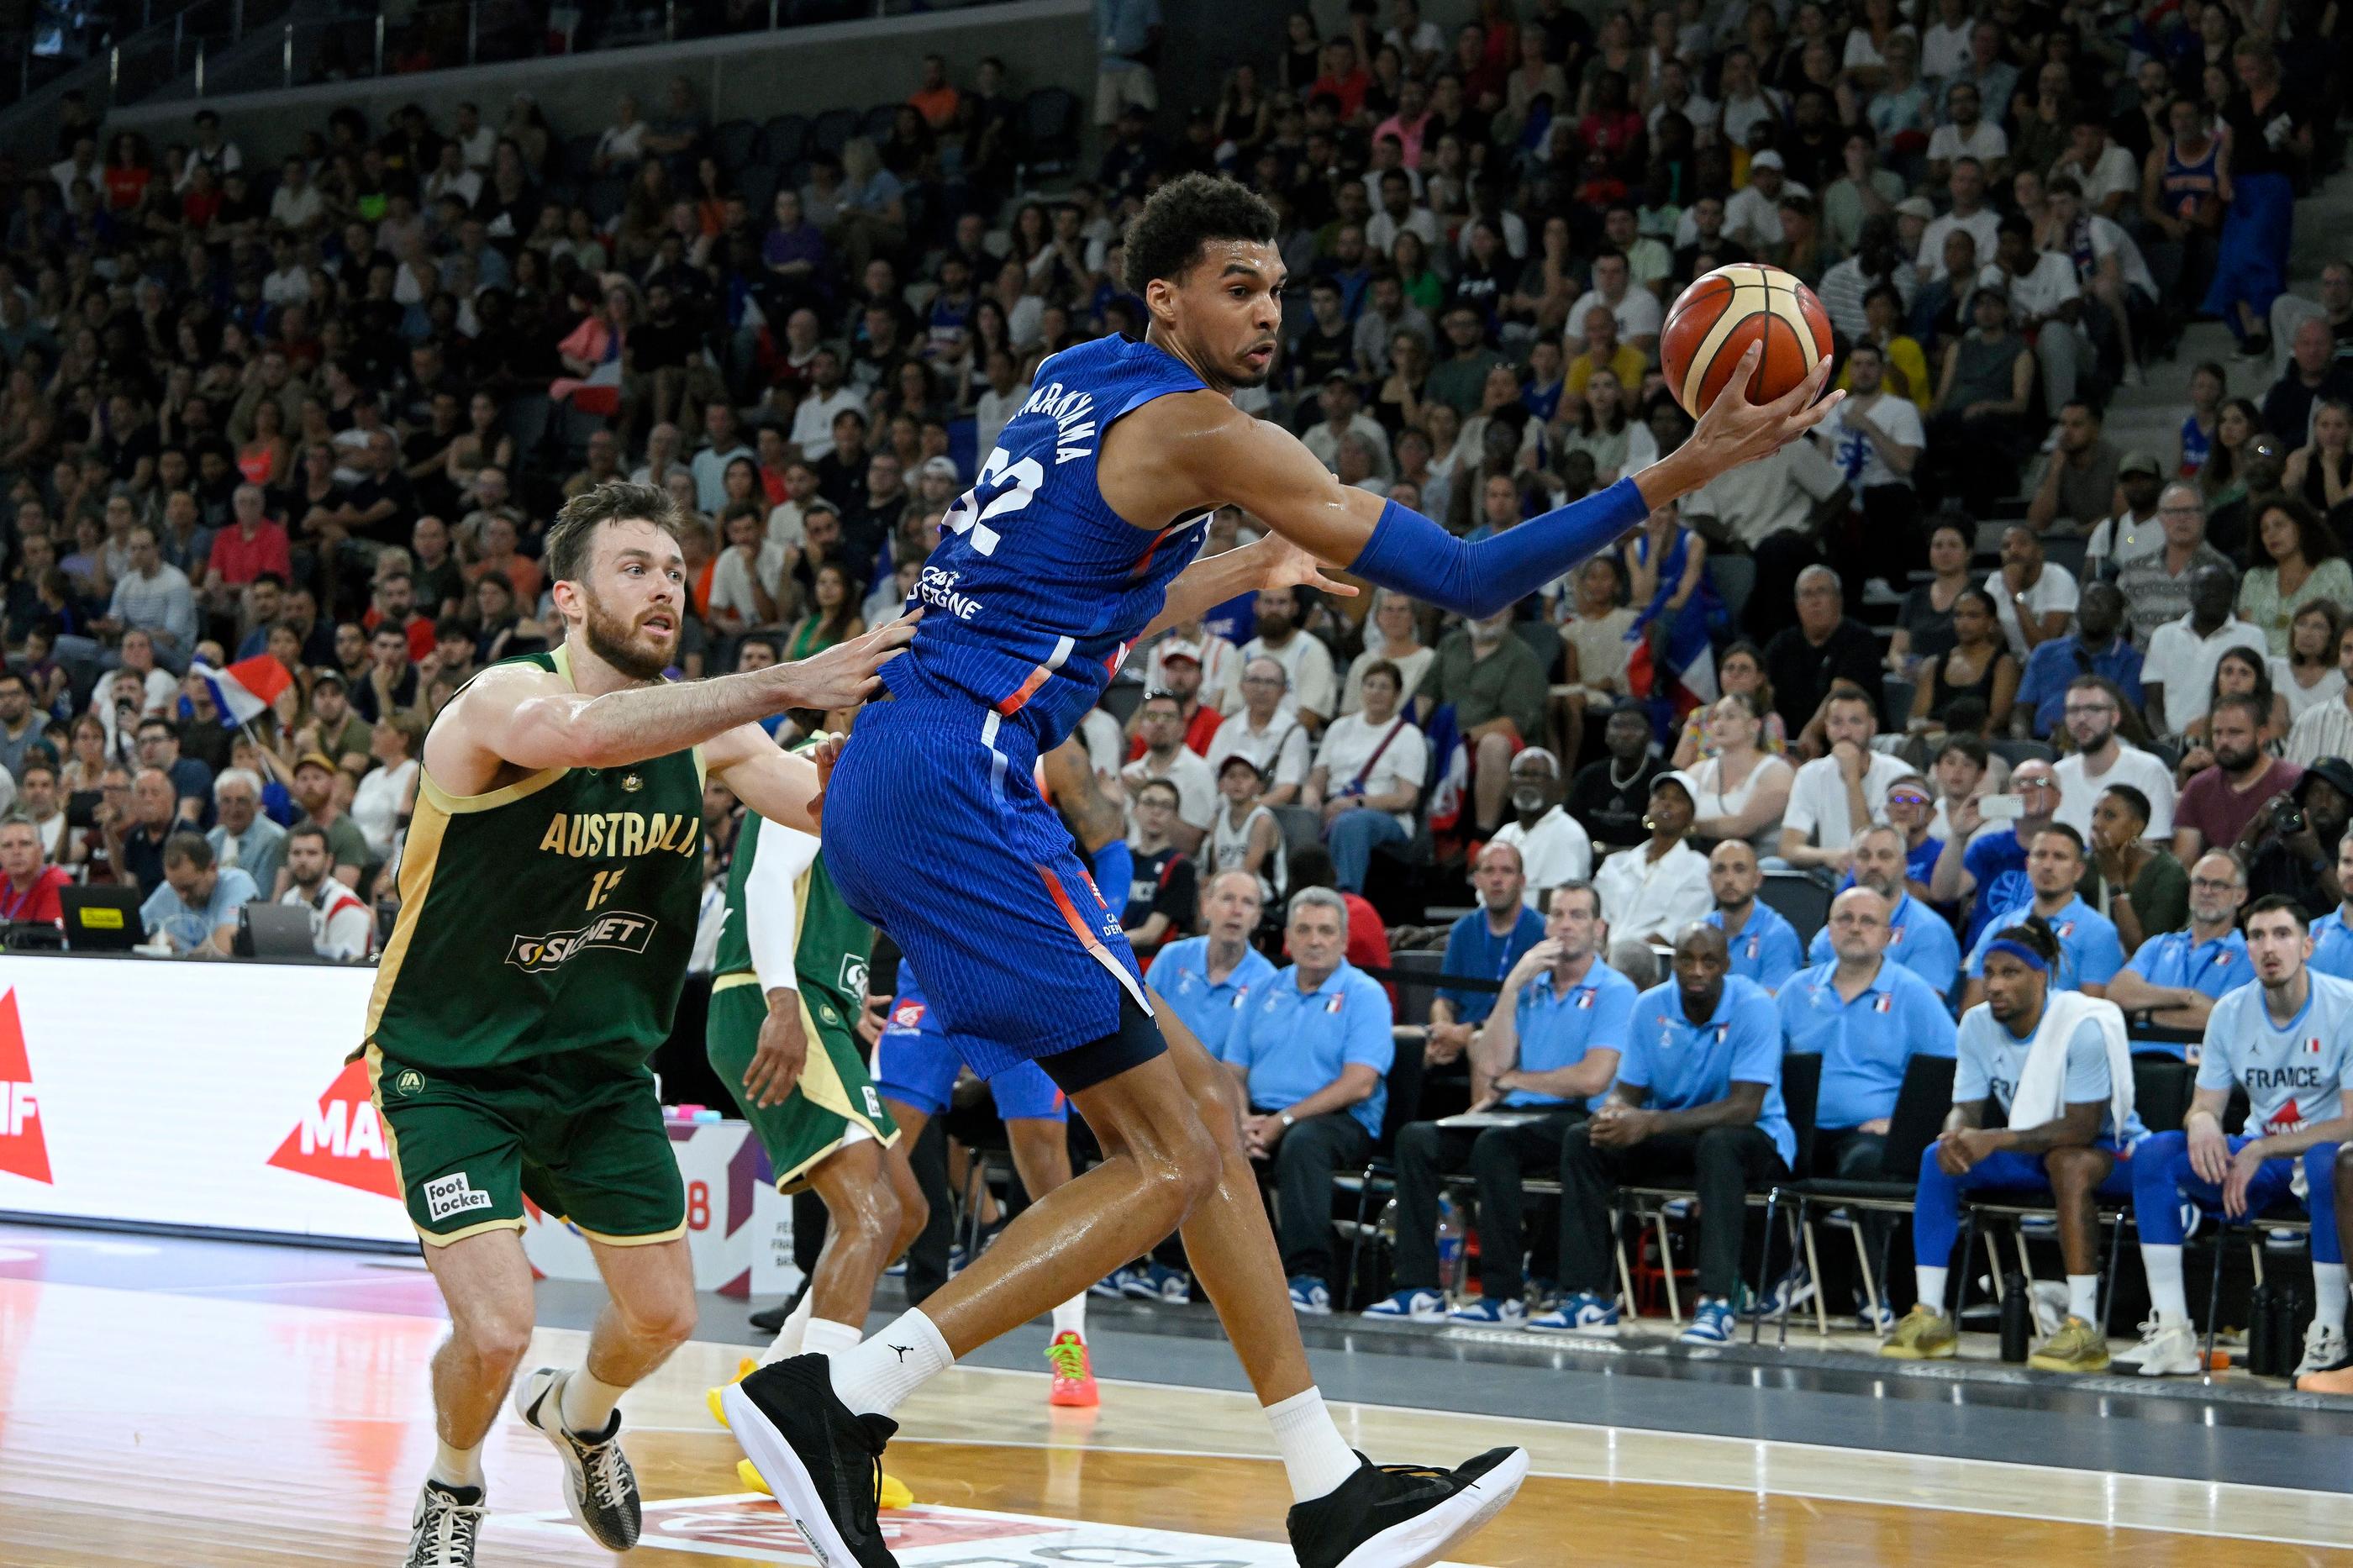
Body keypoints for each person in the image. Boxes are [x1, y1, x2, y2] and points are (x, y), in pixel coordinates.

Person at [745, 172, 1838, 1568]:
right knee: (1177, 1150)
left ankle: (1327, 1482)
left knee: (1197, 1104)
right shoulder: (1207, 431)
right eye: (1237, 286)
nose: (1268, 311)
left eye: (1277, 287)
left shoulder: (1079, 385)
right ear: (1166, 295)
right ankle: (845, 1392)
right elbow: (1468, 576)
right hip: (961, 778)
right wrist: (1676, 473)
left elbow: (1096, 592)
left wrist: (1252, 560)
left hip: (913, 768)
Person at [372, 482, 906, 1568]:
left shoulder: (712, 731)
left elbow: (822, 816)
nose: (664, 585)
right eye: (635, 567)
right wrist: (783, 679)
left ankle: (578, 1414)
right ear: (568, 596)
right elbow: (574, 735)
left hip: (600, 1066)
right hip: (452, 1061)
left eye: (673, 568)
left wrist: (884, 760)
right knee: (497, 1326)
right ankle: (454, 1478)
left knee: (663, 1316)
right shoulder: (499, 700)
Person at [1365, 882, 1635, 1326]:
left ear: (1599, 929)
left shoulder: (1615, 989)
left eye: (1578, 916)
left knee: (1496, 1145)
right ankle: (1417, 1287)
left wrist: (1516, 1079)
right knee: (1416, 1140)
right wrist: (1510, 987)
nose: (1565, 925)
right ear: (1545, 926)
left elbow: (1593, 1077)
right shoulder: (1529, 988)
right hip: (1512, 1113)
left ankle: (1503, 1294)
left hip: (1573, 1118)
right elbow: (1490, 1065)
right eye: (1558, 915)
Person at [1881, 917, 2142, 1371]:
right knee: (1938, 1158)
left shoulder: (2081, 1025)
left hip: (2108, 1152)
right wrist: (1956, 1132)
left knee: (2068, 1162)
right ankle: (1930, 1316)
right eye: (1989, 973)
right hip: (2033, 1150)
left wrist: (1993, 1139)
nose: (1994, 985)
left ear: (2041, 977)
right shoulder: (1976, 1024)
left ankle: (2083, 1326)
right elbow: (1966, 1105)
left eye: (2010, 973)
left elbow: (2081, 1127)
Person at [1528, 923, 1793, 1344]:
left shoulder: (1755, 1006)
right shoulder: (1650, 1006)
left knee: (1719, 1145)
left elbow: (1744, 1107)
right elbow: (1628, 1091)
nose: (1697, 970)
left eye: (1709, 961)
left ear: (1726, 965)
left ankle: (1716, 1302)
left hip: (1751, 1136)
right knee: (1583, 1139)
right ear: (1675, 964)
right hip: (1676, 1132)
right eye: (1687, 959)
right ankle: (1586, 1295)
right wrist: (1614, 1115)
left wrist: (1650, 1122)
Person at [2126, 897, 2353, 1379]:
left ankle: (2329, 1331)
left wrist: (2262, 1147)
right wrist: (2202, 1120)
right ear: (2246, 947)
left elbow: (2352, 1121)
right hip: (2259, 1160)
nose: (2269, 947)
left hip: (2318, 1158)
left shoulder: (2345, 1005)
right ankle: (2173, 1331)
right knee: (2153, 1156)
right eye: (2257, 936)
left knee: (2326, 1161)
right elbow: (2205, 1103)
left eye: (2282, 934)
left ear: (2308, 945)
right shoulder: (2230, 1011)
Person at [1776, 887, 1959, 1323]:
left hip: (1869, 1133)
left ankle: (1870, 1289)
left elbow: (1949, 1071)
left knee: (1866, 1165)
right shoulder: (1795, 990)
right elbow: (1764, 1064)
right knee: (1745, 1153)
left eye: (1867, 921)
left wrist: (1900, 1121)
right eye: (1845, 918)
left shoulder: (1912, 994)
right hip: (1799, 1126)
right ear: (1828, 930)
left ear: (1890, 935)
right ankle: (1775, 1279)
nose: (1855, 928)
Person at [1223, 887, 1395, 1317]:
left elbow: (1359, 1083)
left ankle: (1309, 1278)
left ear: (1342, 940)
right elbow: (1232, 1073)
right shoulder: (1262, 990)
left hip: (1340, 1121)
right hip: (1263, 1115)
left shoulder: (1365, 994)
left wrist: (1283, 1120)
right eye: (1304, 930)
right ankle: (1194, 1273)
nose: (1315, 940)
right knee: (1208, 1136)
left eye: (1325, 931)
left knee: (1303, 1143)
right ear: (1288, 939)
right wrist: (1241, 1120)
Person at [1958, 826, 2124, 1007]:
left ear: (2078, 871)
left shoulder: (2099, 932)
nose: (2047, 866)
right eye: (2040, 855)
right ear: (2028, 865)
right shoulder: (1999, 926)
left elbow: (2091, 1013)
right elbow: (1972, 1009)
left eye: (2059, 857)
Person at [2105, 850, 2253, 1040]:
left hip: (2198, 1064)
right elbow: (2117, 993)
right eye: (2200, 882)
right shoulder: (2158, 945)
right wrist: (2186, 997)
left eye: (2219, 885)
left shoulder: (2248, 955)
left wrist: (2146, 1014)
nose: (2207, 891)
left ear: (2240, 896)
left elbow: (2226, 1019)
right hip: (2137, 1059)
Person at [1805, 823, 1961, 998]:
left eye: (1884, 856)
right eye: (1864, 856)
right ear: (1852, 864)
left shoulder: (1928, 931)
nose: (1873, 865)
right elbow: (1816, 1002)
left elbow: (1918, 1013)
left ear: (1904, 866)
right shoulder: (1829, 936)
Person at [1427, 843, 1545, 1072]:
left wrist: (1467, 1033)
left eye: (1506, 871)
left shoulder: (1541, 932)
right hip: (1460, 1038)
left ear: (1522, 881)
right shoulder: (1463, 930)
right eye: (1489, 871)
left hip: (1513, 1040)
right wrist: (1444, 1029)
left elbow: (1532, 1011)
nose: (1497, 879)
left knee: (1480, 1045)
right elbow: (1445, 998)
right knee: (1411, 1046)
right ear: (1477, 880)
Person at [1780, 684, 1913, 876]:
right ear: (1826, 729)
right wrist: (1829, 856)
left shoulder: (1899, 775)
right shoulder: (1810, 774)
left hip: (1879, 872)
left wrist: (1852, 778)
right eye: (1837, 723)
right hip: (1830, 868)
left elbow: (1870, 850)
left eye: (1855, 722)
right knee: (1771, 866)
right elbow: (1789, 847)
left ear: (1872, 727)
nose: (1845, 732)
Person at [2142, 563, 2266, 739]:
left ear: (2232, 595)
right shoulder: (2164, 635)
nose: (2211, 593)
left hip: (2231, 738)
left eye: (2220, 589)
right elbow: (2153, 701)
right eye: (2204, 587)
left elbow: (2259, 696)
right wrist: (2167, 743)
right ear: (2190, 593)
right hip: (2173, 740)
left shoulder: (2252, 636)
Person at [2174, 693, 2302, 862]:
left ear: (2261, 735)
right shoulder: (2199, 787)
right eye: (2217, 733)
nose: (2224, 741)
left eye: (2235, 733)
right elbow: (2185, 863)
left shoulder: (2294, 781)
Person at [2050, 676, 2176, 843]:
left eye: (2093, 709)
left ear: (2115, 717)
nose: (2081, 719)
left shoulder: (2149, 769)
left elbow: (2155, 847)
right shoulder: (2057, 774)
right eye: (2073, 710)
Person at [1761, 567, 1882, 739]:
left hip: (1848, 742)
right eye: (1807, 594)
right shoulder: (1782, 643)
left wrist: (1812, 734)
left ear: (1839, 600)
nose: (1814, 601)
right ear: (1797, 604)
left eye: (1822, 592)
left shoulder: (1859, 639)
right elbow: (1764, 692)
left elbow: (1842, 693)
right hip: (1789, 744)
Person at [1593, 771, 1713, 944]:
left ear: (1690, 817)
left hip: (1651, 964)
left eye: (1678, 799)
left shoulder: (1699, 869)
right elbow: (1594, 915)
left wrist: (1619, 958)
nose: (1667, 804)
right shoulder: (1616, 864)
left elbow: (1673, 933)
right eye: (1661, 796)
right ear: (1649, 807)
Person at [2014, 581, 2142, 741]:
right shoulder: (2045, 652)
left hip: (2100, 744)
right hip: (2043, 745)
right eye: (2088, 601)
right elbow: (2022, 710)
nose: (2093, 608)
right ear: (2077, 610)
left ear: (2118, 617)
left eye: (2102, 603)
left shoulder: (2130, 661)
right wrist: (2025, 745)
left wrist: (2070, 735)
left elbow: (2125, 718)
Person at [2082, 784, 2189, 955]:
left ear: (2136, 827)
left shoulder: (2168, 873)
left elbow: (2145, 951)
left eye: (2109, 816)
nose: (2096, 823)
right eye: (2095, 813)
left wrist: (2116, 886)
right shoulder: (2086, 864)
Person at [1687, 693, 1794, 852]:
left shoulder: (1777, 772)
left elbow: (1742, 826)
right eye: (1716, 717)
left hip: (1759, 860)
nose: (1719, 724)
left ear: (1754, 725)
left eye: (1730, 717)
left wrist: (1687, 827)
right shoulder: (1697, 771)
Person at [1704, 839, 1803, 993]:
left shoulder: (1778, 935)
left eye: (1739, 869)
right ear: (1710, 880)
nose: (1729, 879)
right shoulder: (1701, 931)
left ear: (1757, 879)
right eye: (1720, 869)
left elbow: (1771, 1005)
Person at [139, 831, 257, 956]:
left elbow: (226, 944)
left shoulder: (238, 883)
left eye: (189, 887)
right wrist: (154, 943)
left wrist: (179, 959)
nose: (182, 896)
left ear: (212, 868)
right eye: (175, 888)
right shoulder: (167, 890)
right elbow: (133, 930)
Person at [1571, 698, 1666, 850]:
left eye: (1635, 727)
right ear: (1606, 734)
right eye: (1617, 726)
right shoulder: (1589, 777)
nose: (1625, 734)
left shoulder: (1665, 778)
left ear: (1650, 734)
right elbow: (1569, 829)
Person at [278, 821, 373, 960]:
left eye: (312, 853)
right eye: (296, 853)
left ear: (329, 861)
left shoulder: (347, 907)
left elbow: (350, 969)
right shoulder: (289, 899)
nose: (303, 860)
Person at [0, 813, 70, 927]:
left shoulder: (56, 881)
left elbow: (45, 939)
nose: (16, 852)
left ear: (41, 850)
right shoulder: (2, 880)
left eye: (25, 844)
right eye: (7, 845)